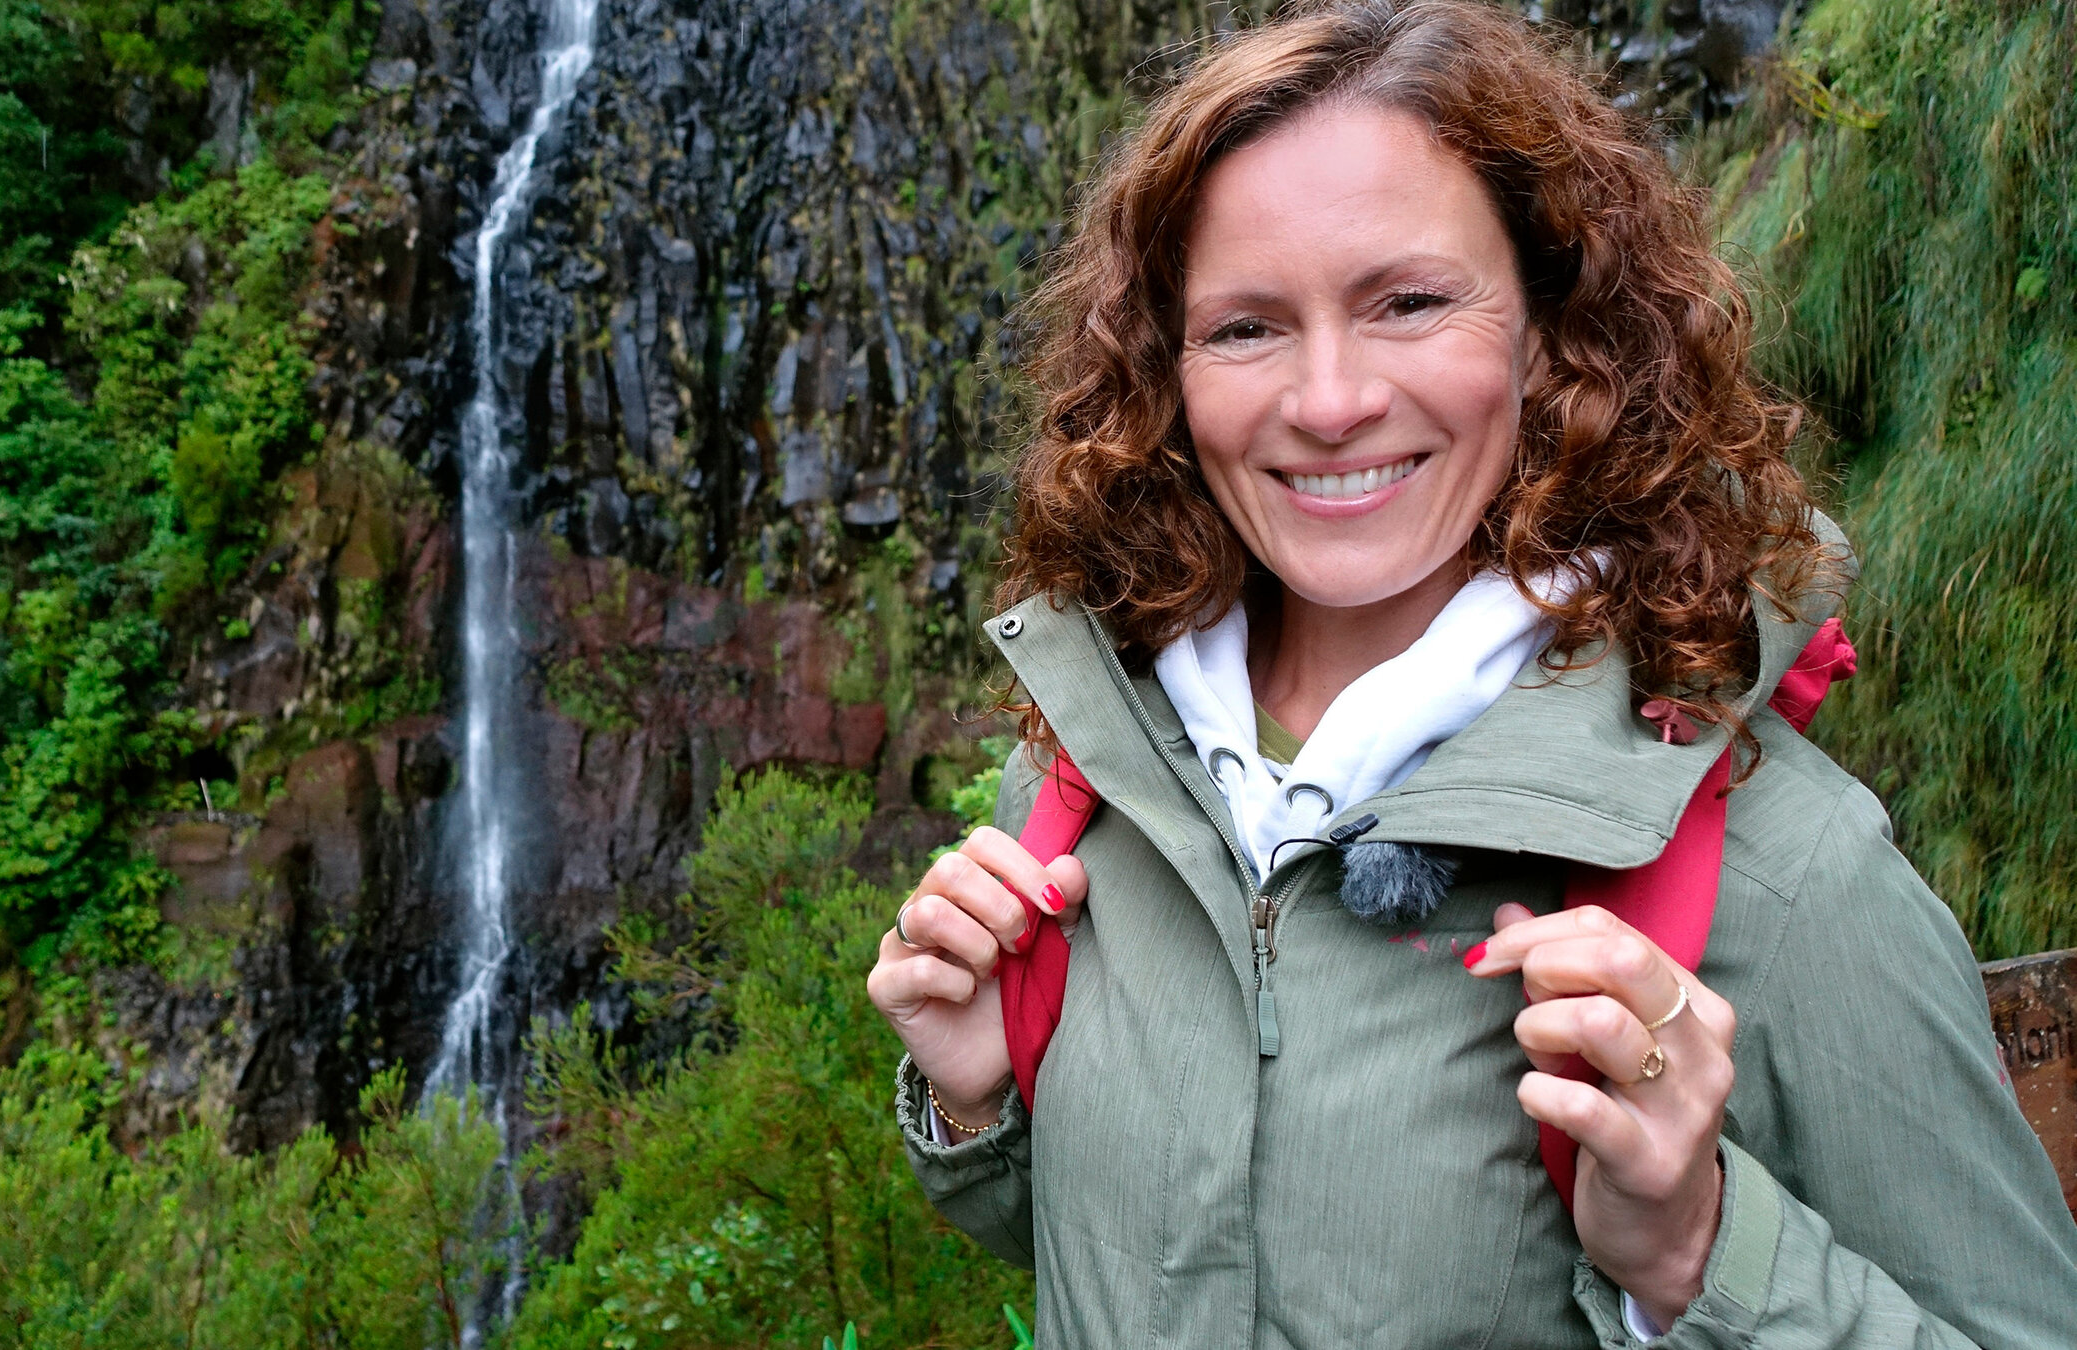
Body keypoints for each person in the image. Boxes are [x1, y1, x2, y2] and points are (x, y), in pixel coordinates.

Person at [862, 1, 2077, 1345]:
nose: (1329, 401)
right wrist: (980, 1104)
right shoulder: (1092, 786)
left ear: (1549, 333)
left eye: (1409, 303)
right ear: (1166, 369)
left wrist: (1696, 1252)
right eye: (1246, 327)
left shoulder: (1789, 876)